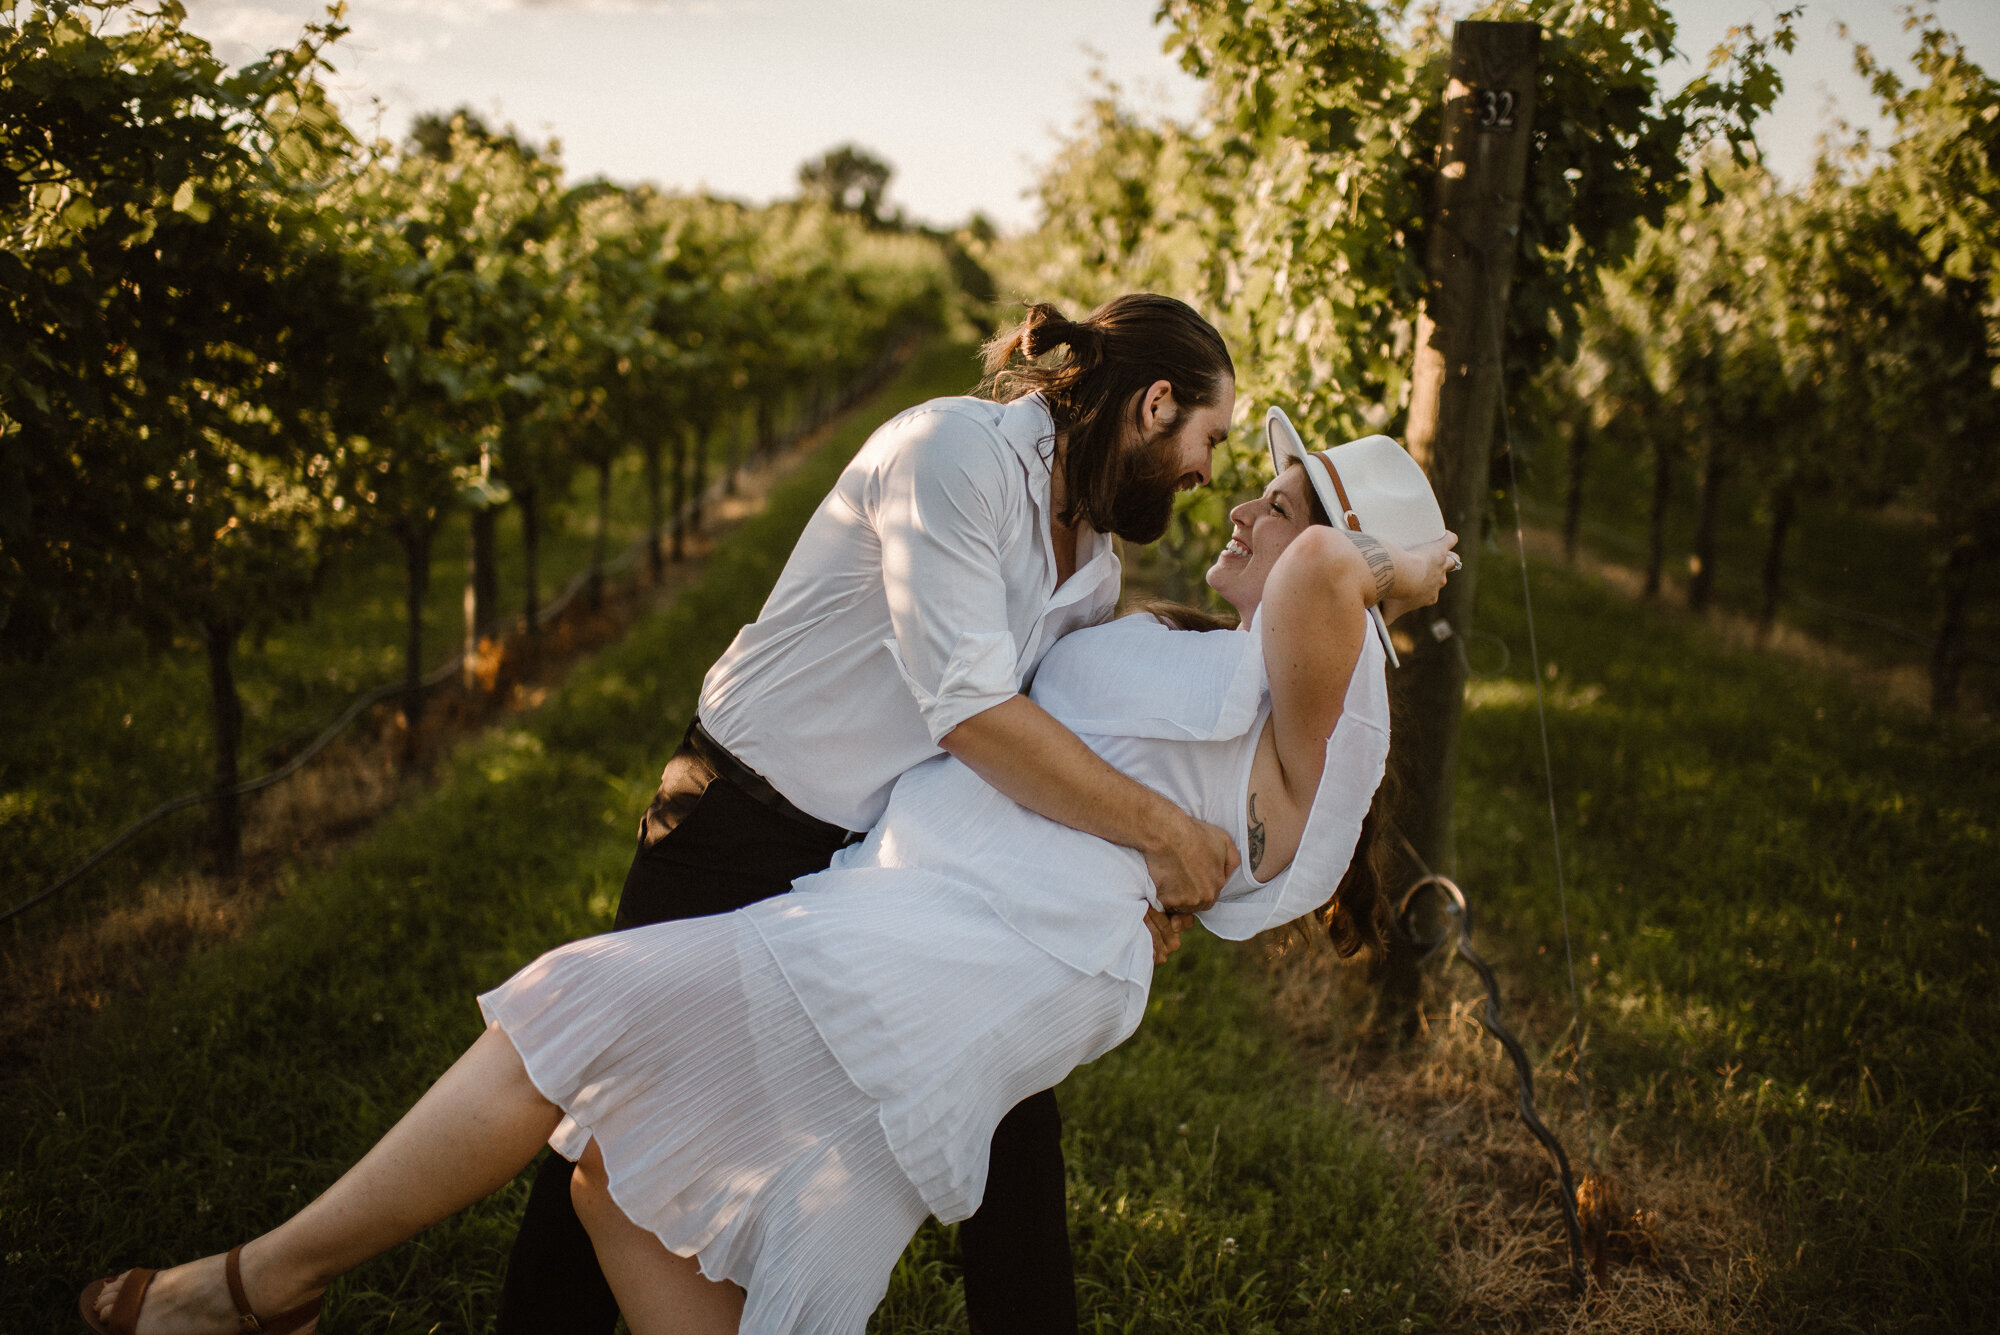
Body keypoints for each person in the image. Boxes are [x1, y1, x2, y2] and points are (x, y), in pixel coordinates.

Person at [78, 429, 1459, 1335]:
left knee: (570, 1009)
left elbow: (1331, 571)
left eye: (1269, 501)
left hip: (959, 960)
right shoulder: (1167, 631)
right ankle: (253, 1286)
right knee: (618, 1185)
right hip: (896, 911)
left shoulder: (1299, 727)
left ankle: (255, 1285)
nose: (1239, 503)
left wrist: (1396, 563)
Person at [507, 294, 1245, 1335]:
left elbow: (1047, 755)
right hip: (737, 822)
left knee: (1010, 1102)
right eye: (1209, 438)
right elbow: (975, 718)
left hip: (883, 860)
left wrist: (1116, 893)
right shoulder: (951, 455)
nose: (1208, 471)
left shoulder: (1093, 574)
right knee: (620, 1117)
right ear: (1155, 404)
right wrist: (1159, 835)